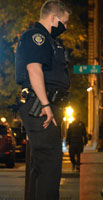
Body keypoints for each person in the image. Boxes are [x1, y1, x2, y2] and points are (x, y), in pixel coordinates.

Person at [15, 1, 71, 199]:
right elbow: (33, 69)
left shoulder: (48, 40)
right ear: (53, 18)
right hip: (40, 105)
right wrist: (46, 105)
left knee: (42, 165)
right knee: (49, 164)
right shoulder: (36, 37)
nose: (65, 26)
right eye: (64, 22)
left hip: (45, 104)